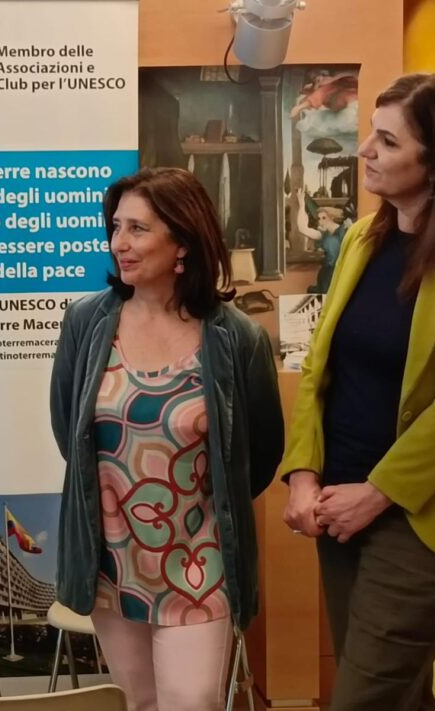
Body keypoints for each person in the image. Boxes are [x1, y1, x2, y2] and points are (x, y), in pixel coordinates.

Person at [281, 73, 435, 711]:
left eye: (388, 142)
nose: (365, 149)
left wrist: (377, 493)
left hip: (422, 514)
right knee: (401, 694)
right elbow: (320, 366)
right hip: (339, 504)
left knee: (365, 697)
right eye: (372, 133)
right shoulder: (364, 236)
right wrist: (303, 473)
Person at [50, 167, 284, 711]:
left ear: (183, 241)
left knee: (191, 700)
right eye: (115, 227)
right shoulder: (85, 322)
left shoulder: (237, 337)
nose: (119, 243)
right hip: (112, 558)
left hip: (200, 557)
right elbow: (70, 432)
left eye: (138, 229)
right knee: (140, 702)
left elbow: (259, 455)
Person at [295, 196, 346, 293]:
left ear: (332, 217)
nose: (320, 221)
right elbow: (302, 229)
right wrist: (302, 205)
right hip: (326, 274)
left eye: (324, 218)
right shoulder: (323, 234)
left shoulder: (344, 231)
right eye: (319, 218)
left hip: (340, 273)